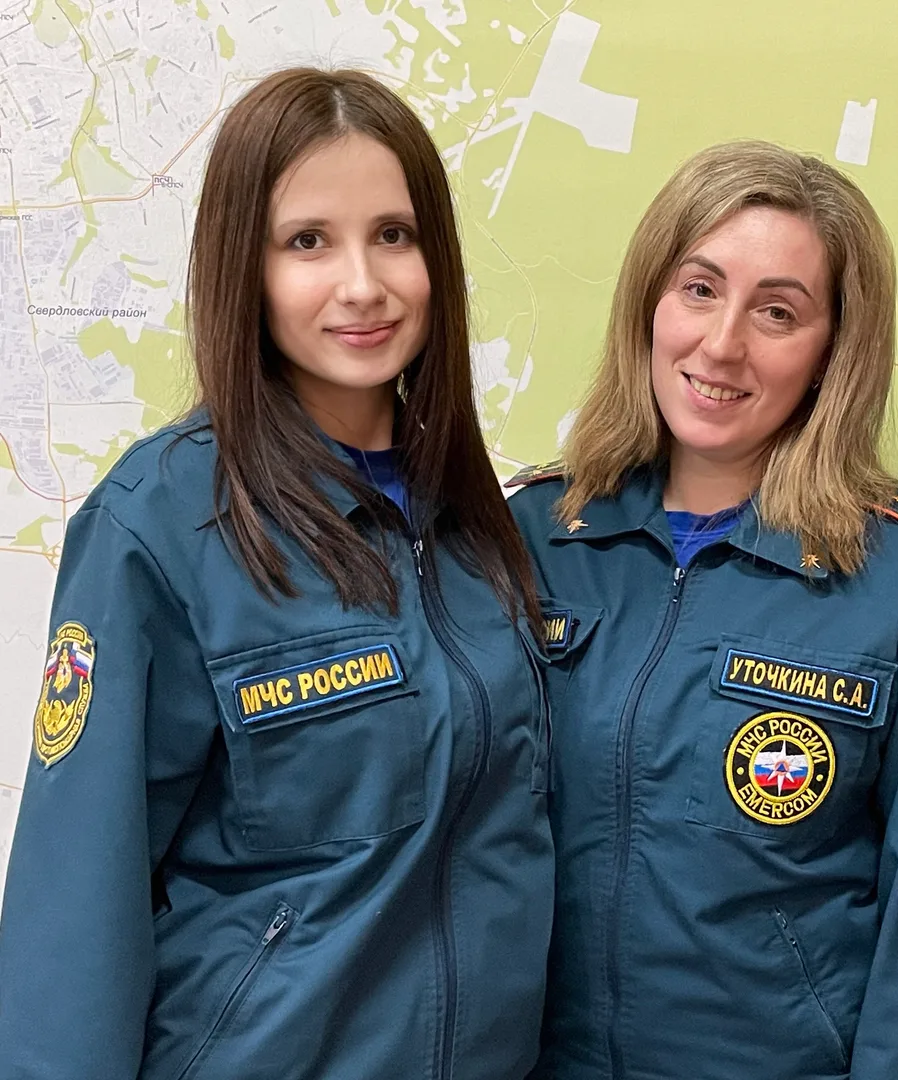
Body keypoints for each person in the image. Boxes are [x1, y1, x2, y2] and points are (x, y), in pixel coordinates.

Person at [0, 68, 554, 1079]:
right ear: (244, 267)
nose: (362, 284)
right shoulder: (160, 524)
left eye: (394, 234)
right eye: (308, 241)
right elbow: (75, 901)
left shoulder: (481, 525)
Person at [506, 140, 898, 1079]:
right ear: (649, 302)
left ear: (832, 352)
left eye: (777, 311)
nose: (722, 343)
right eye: (699, 289)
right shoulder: (532, 536)